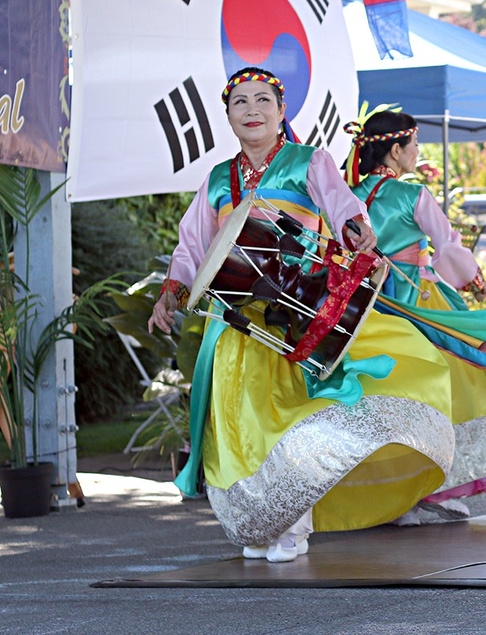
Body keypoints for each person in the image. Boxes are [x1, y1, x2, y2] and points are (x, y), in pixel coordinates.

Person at [149, 67, 456, 562]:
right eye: (240, 102)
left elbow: (341, 204)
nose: (252, 110)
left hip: (296, 312)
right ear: (227, 116)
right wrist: (171, 292)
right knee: (240, 423)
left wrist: (355, 227)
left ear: (281, 111)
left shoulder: (308, 161)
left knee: (288, 419)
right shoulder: (218, 179)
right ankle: (260, 522)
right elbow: (192, 246)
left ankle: (293, 526)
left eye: (262, 101)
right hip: (234, 320)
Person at [342, 109, 486, 517]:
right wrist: (473, 278)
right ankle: (439, 486)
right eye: (415, 145)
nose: (417, 153)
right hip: (418, 299)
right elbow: (447, 242)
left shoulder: (347, 198)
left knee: (390, 397)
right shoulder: (412, 196)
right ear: (396, 150)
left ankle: (395, 495)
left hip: (368, 306)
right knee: (456, 384)